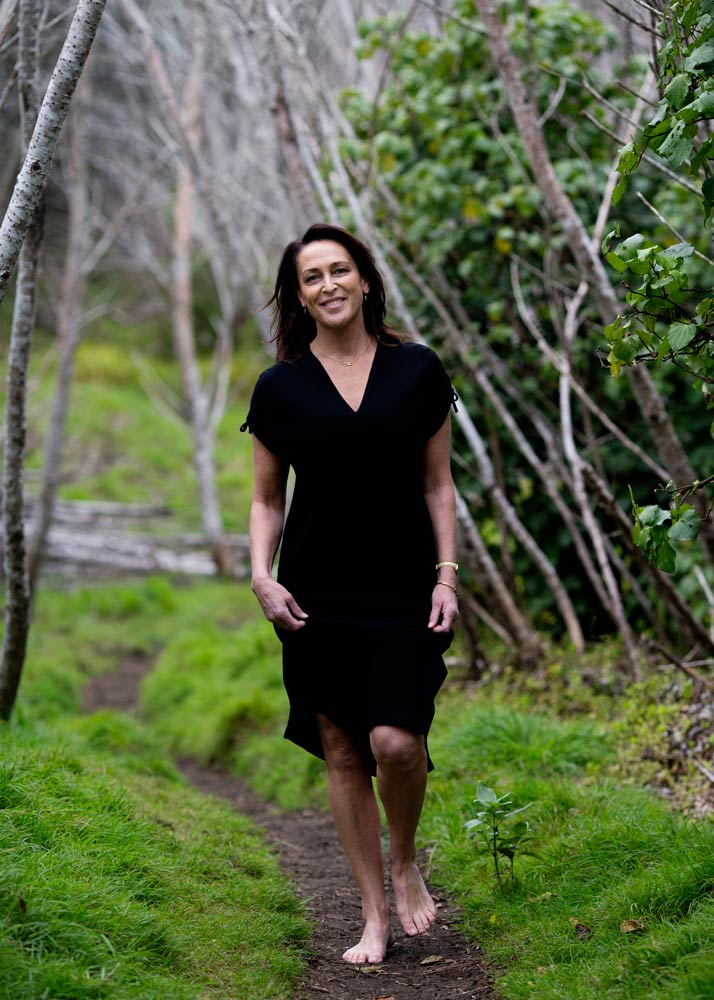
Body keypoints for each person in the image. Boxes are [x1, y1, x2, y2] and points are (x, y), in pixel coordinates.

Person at [241, 223, 459, 965]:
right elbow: (267, 499)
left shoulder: (419, 370)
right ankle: (373, 914)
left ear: (365, 279)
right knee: (340, 747)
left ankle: (403, 863)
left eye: (340, 270)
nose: (328, 285)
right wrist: (261, 575)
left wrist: (447, 576)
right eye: (312, 277)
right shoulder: (280, 388)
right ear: (299, 296)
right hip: (315, 595)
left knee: (396, 742)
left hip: (404, 589)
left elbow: (439, 484)